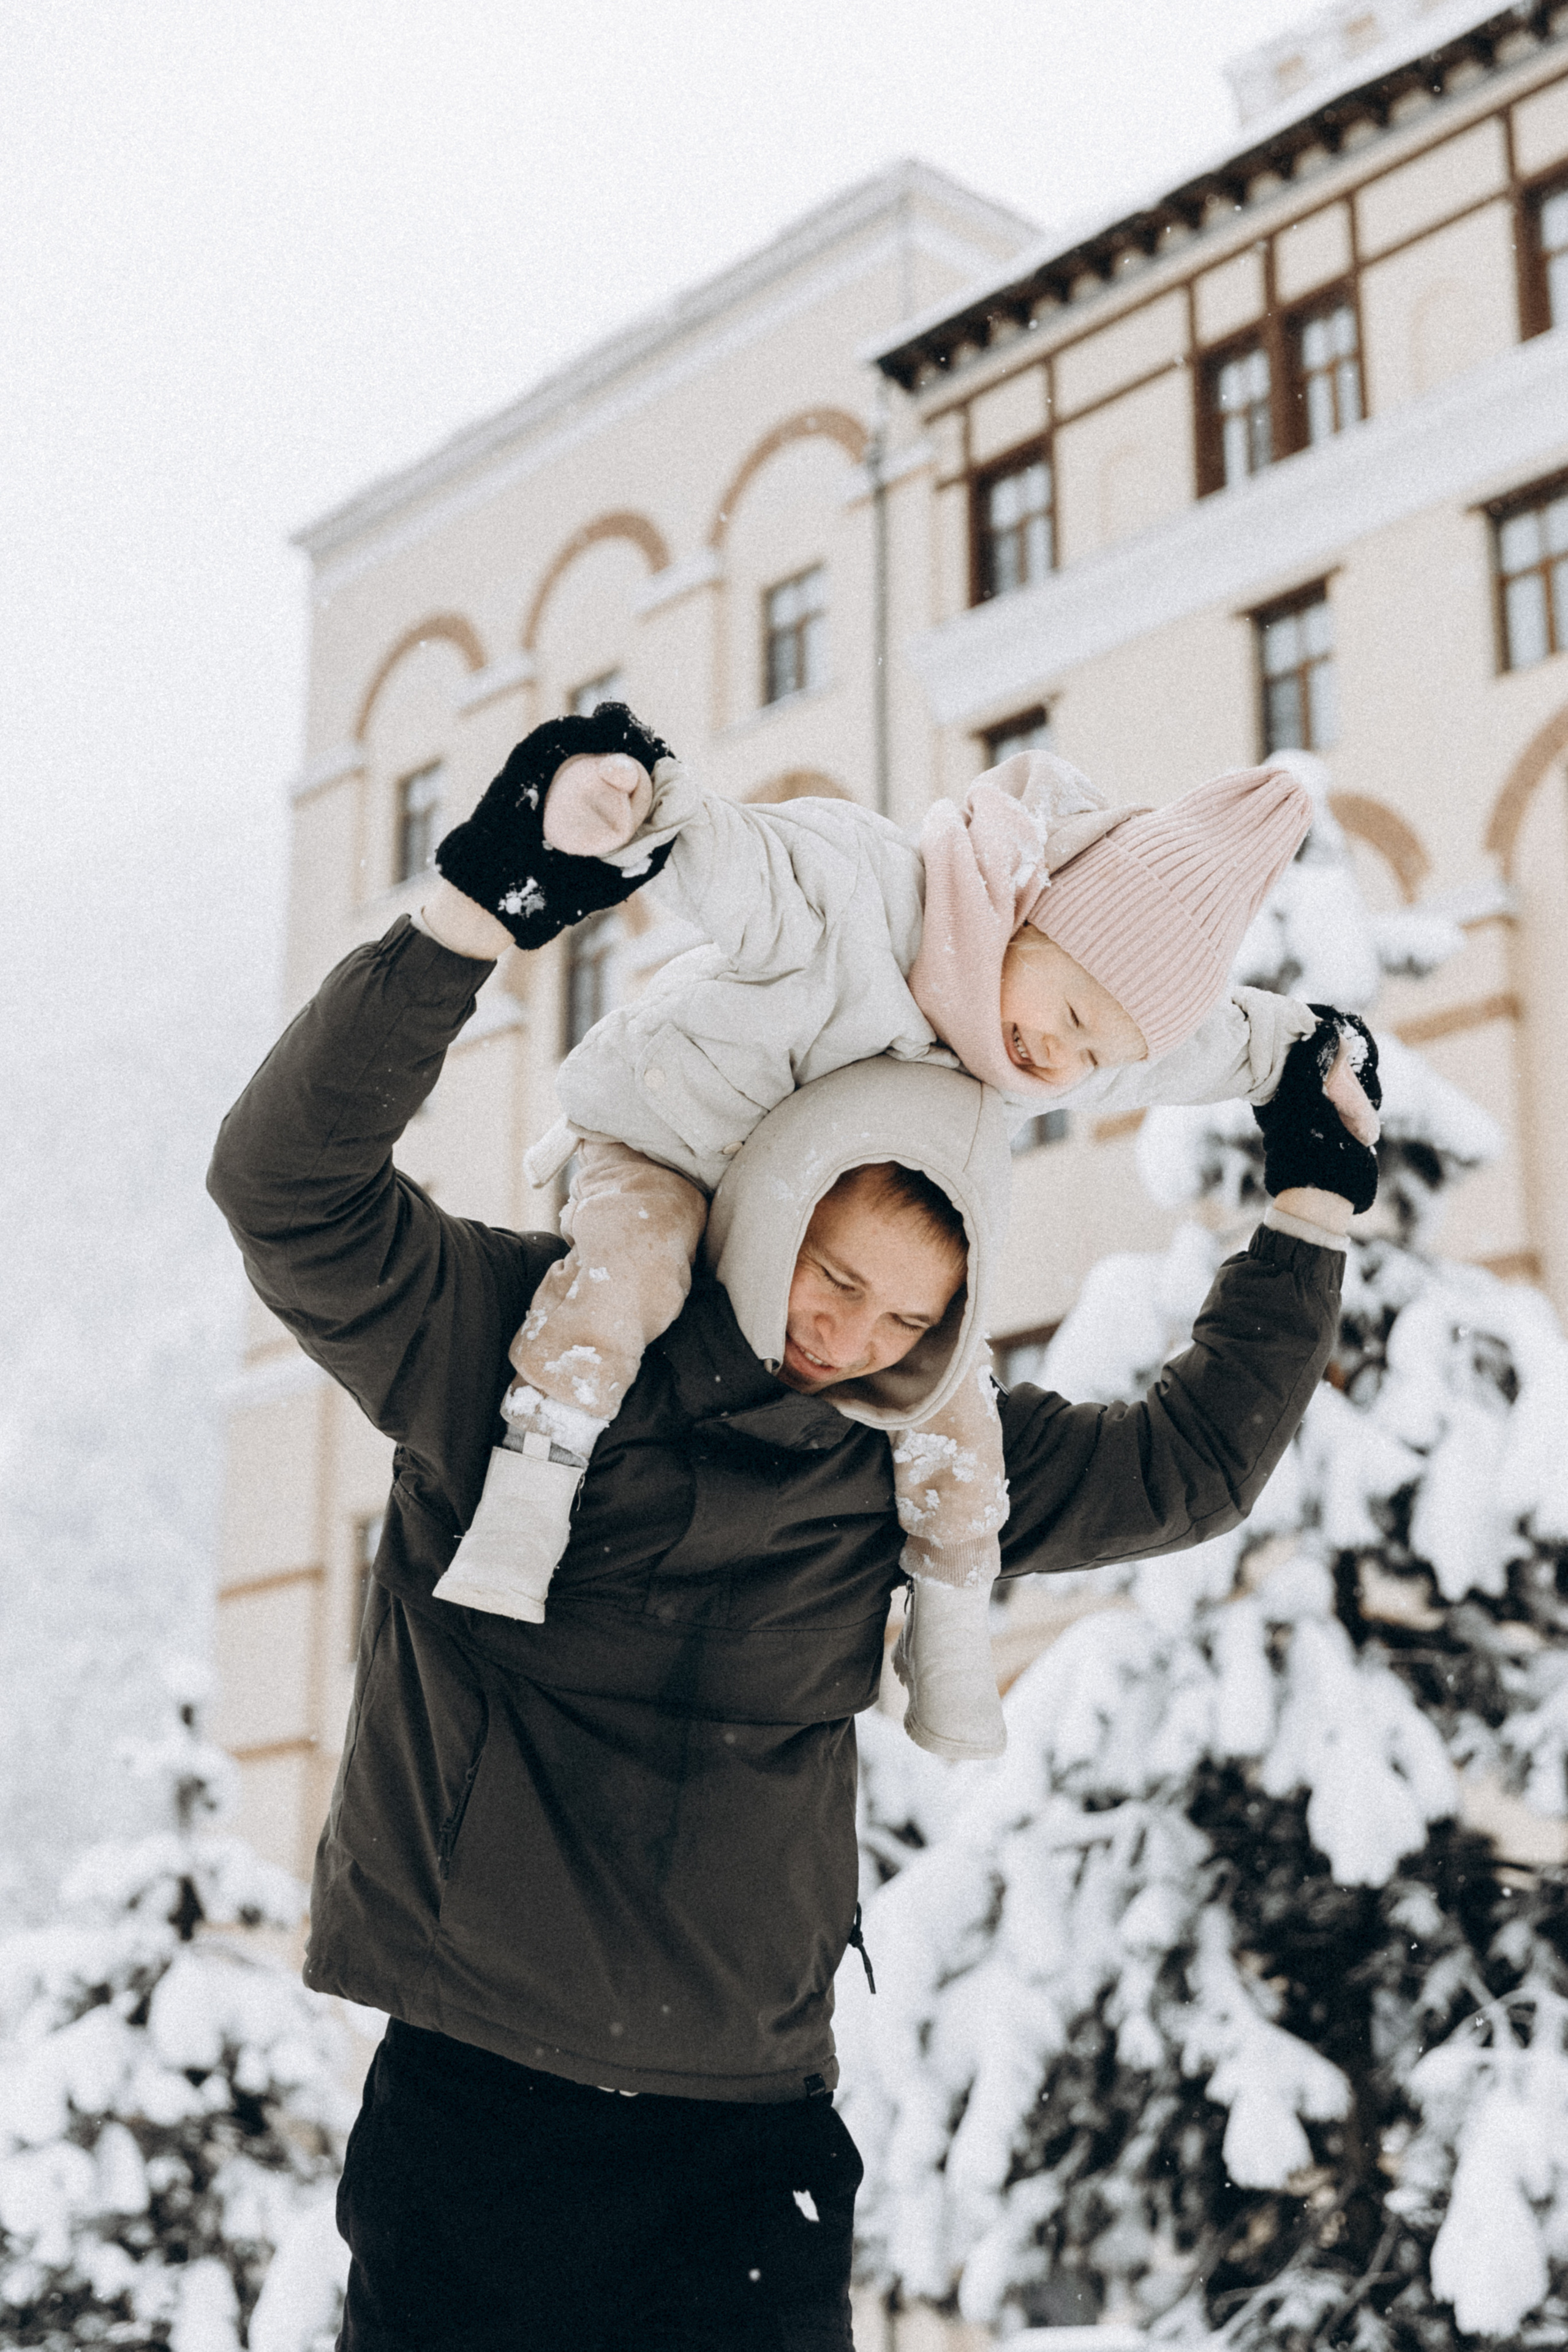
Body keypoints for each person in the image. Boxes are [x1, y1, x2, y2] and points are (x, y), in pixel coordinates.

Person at [207, 887, 1377, 2352]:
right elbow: (287, 1187)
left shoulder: (912, 1460)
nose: (849, 1339)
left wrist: (1310, 1212)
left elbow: (1189, 1466)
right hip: (479, 2110)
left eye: (906, 1323)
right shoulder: (517, 1345)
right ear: (770, 1189)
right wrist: (467, 917)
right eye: (834, 1276)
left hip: (744, 2150)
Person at [429, 705, 1336, 1762]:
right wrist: (641, 805)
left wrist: (1307, 1050)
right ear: (1032, 915)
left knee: (953, 1397)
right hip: (678, 1139)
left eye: (1099, 1060)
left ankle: (950, 1636)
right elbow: (743, 861)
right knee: (629, 1275)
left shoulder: (1063, 1022)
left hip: (834, 1221)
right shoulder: (871, 898)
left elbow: (1199, 1043)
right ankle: (529, 1493)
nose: (1064, 1061)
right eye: (1075, 1022)